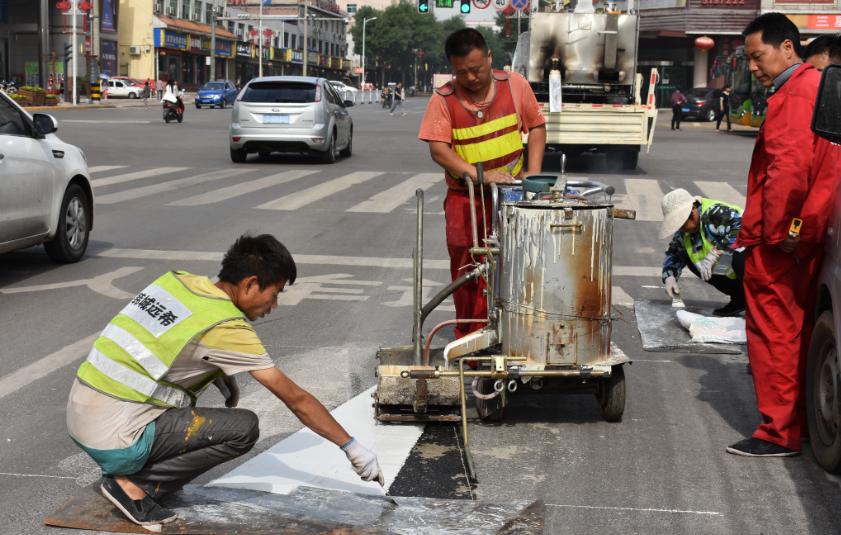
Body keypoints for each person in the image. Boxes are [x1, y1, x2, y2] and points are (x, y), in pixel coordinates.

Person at [66, 235, 384, 527]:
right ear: (250, 284)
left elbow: (158, 345)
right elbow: (296, 399)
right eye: (274, 295)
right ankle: (133, 486)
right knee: (243, 429)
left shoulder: (179, 282)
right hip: (118, 438)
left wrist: (217, 373)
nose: (273, 307)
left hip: (83, 415)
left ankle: (133, 474)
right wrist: (352, 447)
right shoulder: (227, 327)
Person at [725, 13, 841, 458]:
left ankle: (778, 432)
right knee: (796, 331)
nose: (754, 67)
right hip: (805, 232)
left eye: (758, 56)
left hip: (781, 240)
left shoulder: (795, 94)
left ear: (787, 48)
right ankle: (801, 423)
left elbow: (788, 172)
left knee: (775, 334)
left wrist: (776, 235)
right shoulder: (815, 88)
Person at [418, 28, 547, 339]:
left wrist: (533, 170)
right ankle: (471, 340)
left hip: (512, 197)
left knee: (516, 266)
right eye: (462, 72)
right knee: (467, 272)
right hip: (467, 198)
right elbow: (439, 150)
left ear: (489, 58)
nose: (472, 77)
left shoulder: (515, 85)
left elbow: (537, 126)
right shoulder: (444, 99)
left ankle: (513, 334)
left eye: (477, 69)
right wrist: (480, 176)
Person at [659, 189, 745, 316]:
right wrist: (669, 277)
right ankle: (740, 298)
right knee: (693, 261)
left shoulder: (714, 212)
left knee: (740, 257)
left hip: (754, 257)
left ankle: (760, 301)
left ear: (693, 212)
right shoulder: (684, 232)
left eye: (682, 224)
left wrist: (717, 252)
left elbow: (742, 227)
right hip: (728, 266)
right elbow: (674, 253)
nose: (681, 229)